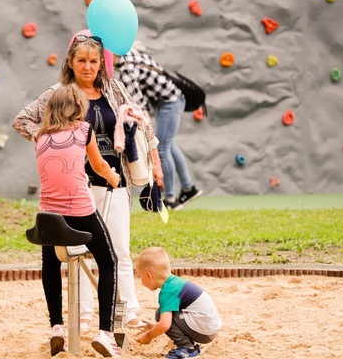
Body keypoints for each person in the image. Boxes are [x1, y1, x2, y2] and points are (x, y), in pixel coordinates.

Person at [13, 31, 163, 333]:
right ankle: (83, 313)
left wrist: (156, 163)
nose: (87, 66)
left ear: (101, 64)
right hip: (76, 185)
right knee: (79, 250)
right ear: (71, 61)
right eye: (81, 60)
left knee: (118, 247)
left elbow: (142, 121)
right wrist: (50, 136)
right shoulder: (60, 94)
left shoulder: (113, 88)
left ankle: (129, 310)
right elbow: (22, 121)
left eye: (94, 61)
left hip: (115, 179)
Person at [34, 84, 122, 357]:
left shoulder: (41, 137)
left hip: (48, 217)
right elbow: (97, 165)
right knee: (109, 262)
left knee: (50, 262)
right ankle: (105, 332)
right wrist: (112, 177)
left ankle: (56, 326)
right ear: (78, 108)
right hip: (79, 213)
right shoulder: (84, 130)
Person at [114, 49, 203, 211]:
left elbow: (136, 104)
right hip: (172, 99)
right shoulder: (132, 53)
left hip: (170, 102)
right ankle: (189, 188)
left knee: (161, 148)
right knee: (169, 146)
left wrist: (147, 129)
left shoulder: (126, 68)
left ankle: (170, 198)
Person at [134, 247, 222, 359]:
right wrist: (154, 327)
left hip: (204, 329)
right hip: (208, 326)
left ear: (148, 275)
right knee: (161, 314)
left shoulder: (168, 292)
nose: (139, 279)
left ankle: (187, 349)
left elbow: (165, 325)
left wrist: (148, 336)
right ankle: (188, 347)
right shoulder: (174, 283)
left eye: (139, 275)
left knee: (162, 314)